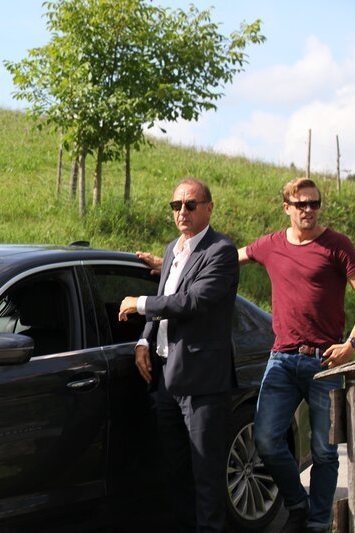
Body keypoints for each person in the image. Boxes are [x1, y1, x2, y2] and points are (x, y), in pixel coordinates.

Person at [239, 178, 355, 533]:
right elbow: (225, 259)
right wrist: (173, 262)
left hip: (325, 363)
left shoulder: (336, 245)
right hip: (282, 360)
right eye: (301, 204)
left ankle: (317, 523)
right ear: (286, 207)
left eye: (314, 204)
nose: (308, 210)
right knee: (266, 441)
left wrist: (352, 344)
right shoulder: (271, 245)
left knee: (324, 452)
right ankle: (297, 504)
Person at [118, 177, 239, 533]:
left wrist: (139, 303)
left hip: (202, 382)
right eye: (176, 205)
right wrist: (144, 341)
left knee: (206, 475)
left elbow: (192, 301)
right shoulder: (173, 249)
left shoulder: (221, 251)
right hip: (166, 378)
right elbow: (166, 296)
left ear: (209, 208)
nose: (182, 211)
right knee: (174, 471)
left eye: (190, 204)